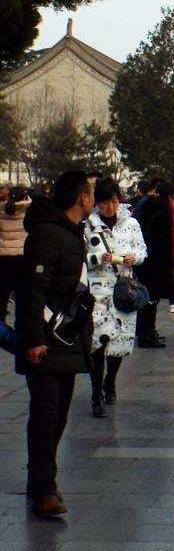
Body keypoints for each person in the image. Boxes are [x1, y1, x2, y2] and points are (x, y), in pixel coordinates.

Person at [15, 170, 95, 518]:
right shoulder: (47, 234)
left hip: (66, 338)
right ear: (82, 199)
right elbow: (33, 290)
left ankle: (41, 482)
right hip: (46, 340)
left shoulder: (71, 232)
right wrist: (33, 339)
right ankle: (44, 490)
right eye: (91, 192)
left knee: (58, 413)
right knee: (46, 415)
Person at [84, 178, 147, 416]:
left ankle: (110, 380)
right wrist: (97, 258)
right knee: (97, 342)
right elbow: (81, 256)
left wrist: (134, 257)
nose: (109, 207)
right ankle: (95, 393)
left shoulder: (130, 223)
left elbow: (142, 251)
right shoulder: (88, 225)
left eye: (113, 201)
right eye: (104, 202)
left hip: (123, 291)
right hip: (97, 293)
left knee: (119, 340)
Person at [135, 181, 174, 348]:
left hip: (146, 259)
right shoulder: (164, 210)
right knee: (152, 299)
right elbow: (167, 240)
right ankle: (148, 334)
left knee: (148, 298)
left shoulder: (146, 205)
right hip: (158, 261)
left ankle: (145, 333)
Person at [0, 185, 29, 322]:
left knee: (2, 296)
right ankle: (21, 330)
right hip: (23, 258)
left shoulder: (2, 212)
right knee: (22, 298)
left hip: (4, 258)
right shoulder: (29, 212)